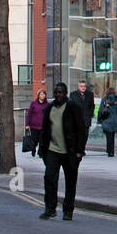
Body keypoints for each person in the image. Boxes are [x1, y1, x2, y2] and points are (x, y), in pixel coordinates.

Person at [38, 82, 87, 220]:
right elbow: (45, 130)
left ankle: (68, 210)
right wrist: (43, 149)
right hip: (52, 150)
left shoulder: (73, 108)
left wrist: (79, 150)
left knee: (70, 182)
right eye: (56, 92)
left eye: (61, 92)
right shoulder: (49, 109)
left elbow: (81, 130)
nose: (58, 95)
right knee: (49, 178)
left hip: (69, 151)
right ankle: (50, 208)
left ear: (65, 93)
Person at [97, 86, 117, 156]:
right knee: (112, 136)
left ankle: (109, 150)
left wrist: (99, 120)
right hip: (115, 121)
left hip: (106, 121)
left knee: (108, 136)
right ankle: (112, 151)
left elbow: (100, 111)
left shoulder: (104, 100)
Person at [25, 88, 48, 157]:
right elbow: (29, 114)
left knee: (42, 140)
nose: (42, 96)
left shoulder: (47, 104)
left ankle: (40, 152)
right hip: (34, 126)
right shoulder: (33, 103)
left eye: (43, 94)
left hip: (43, 126)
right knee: (35, 140)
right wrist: (27, 124)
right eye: (41, 94)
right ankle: (33, 149)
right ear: (38, 95)